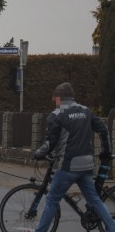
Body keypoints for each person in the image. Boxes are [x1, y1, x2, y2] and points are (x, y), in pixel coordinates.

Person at [33, 82, 114, 232]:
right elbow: (103, 130)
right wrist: (106, 151)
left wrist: (38, 154)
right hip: (87, 165)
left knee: (52, 200)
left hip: (68, 166)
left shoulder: (57, 115)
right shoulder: (86, 111)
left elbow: (50, 142)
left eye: (55, 100)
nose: (55, 104)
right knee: (95, 200)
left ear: (60, 98)